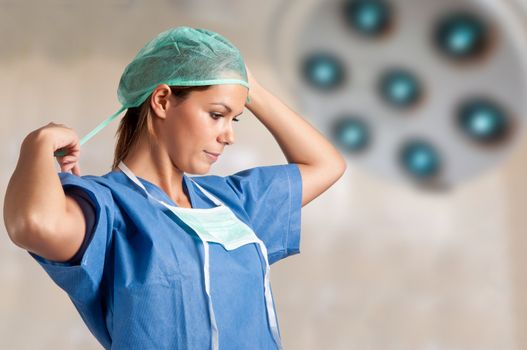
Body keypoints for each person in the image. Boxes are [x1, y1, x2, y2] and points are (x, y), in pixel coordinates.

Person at [3, 26, 346, 349]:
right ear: (163, 100)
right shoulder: (108, 209)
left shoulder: (232, 202)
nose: (229, 136)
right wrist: (38, 143)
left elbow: (327, 164)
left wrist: (245, 83)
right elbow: (33, 224)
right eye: (216, 114)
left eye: (234, 118)